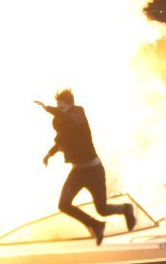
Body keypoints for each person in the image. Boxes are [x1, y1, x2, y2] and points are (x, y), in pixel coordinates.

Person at [34, 89, 135, 246]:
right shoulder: (57, 120)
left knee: (102, 209)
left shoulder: (79, 113)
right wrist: (50, 154)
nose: (59, 110)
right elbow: (60, 140)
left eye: (62, 107)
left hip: (94, 171)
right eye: (57, 106)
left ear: (70, 105)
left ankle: (125, 209)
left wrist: (49, 109)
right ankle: (96, 224)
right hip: (78, 172)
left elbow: (71, 121)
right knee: (63, 205)